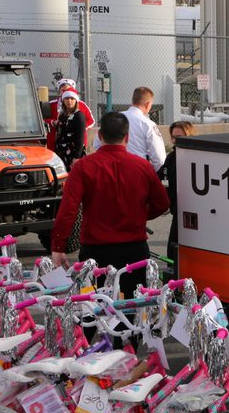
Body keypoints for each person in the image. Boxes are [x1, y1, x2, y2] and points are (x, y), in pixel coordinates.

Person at [51, 112, 170, 297]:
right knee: (135, 311)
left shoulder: (83, 167)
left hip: (96, 251)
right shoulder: (143, 166)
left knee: (94, 309)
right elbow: (162, 203)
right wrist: (139, 215)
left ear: (99, 136)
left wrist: (58, 245)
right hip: (134, 249)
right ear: (127, 137)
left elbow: (68, 210)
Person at [163, 120, 195, 273]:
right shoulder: (171, 158)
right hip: (177, 211)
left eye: (180, 137)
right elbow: (161, 177)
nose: (176, 141)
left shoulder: (197, 156)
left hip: (194, 213)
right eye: (174, 137)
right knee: (172, 253)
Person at [118, 86, 167, 173]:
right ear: (148, 104)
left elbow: (97, 144)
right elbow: (159, 158)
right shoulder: (148, 124)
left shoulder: (114, 118)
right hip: (138, 171)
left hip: (114, 169)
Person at [46, 78, 95, 152]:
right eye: (63, 90)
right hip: (55, 140)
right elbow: (42, 119)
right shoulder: (51, 104)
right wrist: (52, 122)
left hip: (76, 142)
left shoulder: (82, 105)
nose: (66, 92)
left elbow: (91, 121)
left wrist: (80, 128)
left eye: (68, 90)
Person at [53, 89, 86, 169]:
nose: (69, 101)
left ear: (76, 101)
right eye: (67, 98)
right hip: (61, 151)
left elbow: (80, 137)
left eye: (72, 98)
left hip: (73, 152)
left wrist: (77, 157)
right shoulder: (62, 115)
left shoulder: (79, 116)